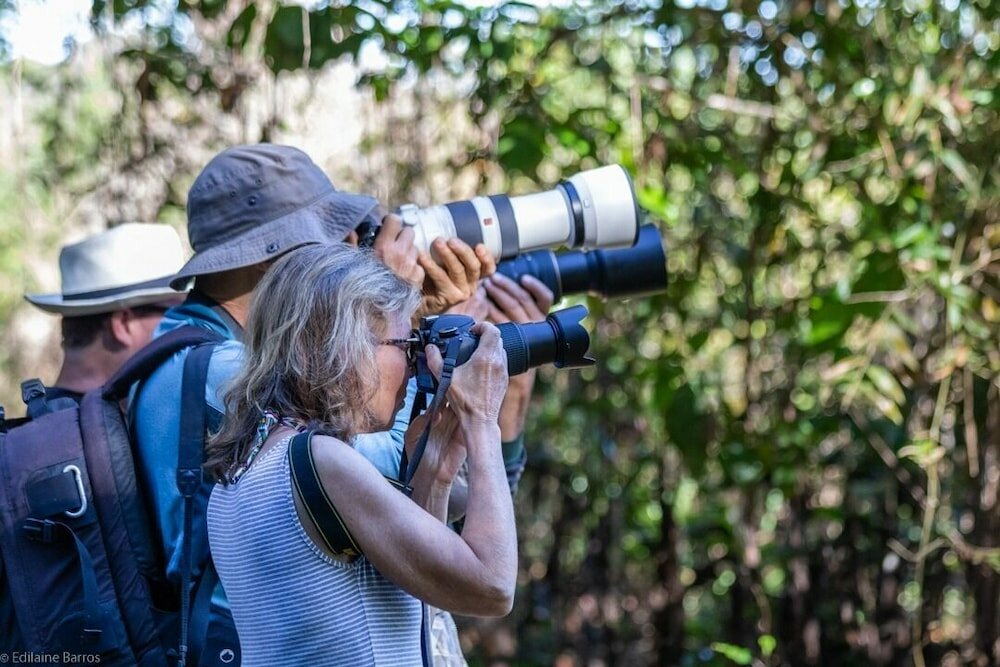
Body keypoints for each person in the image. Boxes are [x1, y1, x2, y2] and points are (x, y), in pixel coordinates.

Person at [129, 143, 492, 664]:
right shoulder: (225, 373)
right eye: (336, 235)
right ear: (273, 255)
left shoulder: (174, 349)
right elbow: (407, 484)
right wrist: (389, 328)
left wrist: (391, 331)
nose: (350, 246)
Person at [204, 244, 517, 666]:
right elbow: (492, 585)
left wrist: (437, 468)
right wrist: (482, 421)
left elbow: (411, 590)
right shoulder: (319, 461)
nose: (414, 364)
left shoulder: (244, 471)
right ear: (327, 344)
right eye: (403, 345)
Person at [23, 222, 187, 405]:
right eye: (175, 312)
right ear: (123, 324)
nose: (185, 324)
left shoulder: (45, 425)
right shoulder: (119, 427)